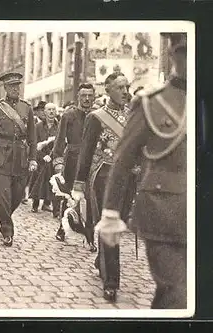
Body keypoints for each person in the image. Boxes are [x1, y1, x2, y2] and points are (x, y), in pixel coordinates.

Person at [97, 33, 187, 309]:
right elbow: (122, 160)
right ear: (172, 52)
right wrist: (110, 214)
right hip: (164, 214)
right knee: (178, 293)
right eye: (184, 51)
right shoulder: (152, 103)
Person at [72, 73, 133, 302]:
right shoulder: (97, 117)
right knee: (110, 227)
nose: (125, 91)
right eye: (120, 87)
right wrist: (78, 183)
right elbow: (85, 153)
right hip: (103, 176)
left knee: (121, 223)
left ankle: (102, 260)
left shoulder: (132, 114)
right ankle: (111, 283)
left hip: (128, 178)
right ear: (107, 89)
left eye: (127, 86)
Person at [0, 72, 37, 247]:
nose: (16, 89)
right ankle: (7, 229)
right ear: (5, 88)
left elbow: (32, 137)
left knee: (18, 194)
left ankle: (5, 218)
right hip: (1, 156)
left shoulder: (26, 108)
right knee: (3, 195)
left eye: (17, 86)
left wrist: (33, 158)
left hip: (20, 156)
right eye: (12, 86)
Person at [52, 83, 95, 229]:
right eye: (84, 95)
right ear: (78, 97)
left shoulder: (97, 116)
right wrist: (58, 163)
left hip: (92, 162)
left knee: (89, 197)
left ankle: (89, 235)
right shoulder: (68, 115)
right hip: (73, 160)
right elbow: (59, 140)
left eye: (90, 95)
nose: (87, 99)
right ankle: (63, 228)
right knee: (70, 195)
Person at [29, 102, 59, 213]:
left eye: (53, 110)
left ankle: (47, 203)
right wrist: (42, 156)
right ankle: (35, 203)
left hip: (53, 158)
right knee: (38, 178)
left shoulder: (59, 126)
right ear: (44, 112)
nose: (51, 112)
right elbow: (33, 143)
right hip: (40, 158)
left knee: (51, 180)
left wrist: (52, 155)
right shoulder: (38, 127)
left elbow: (62, 144)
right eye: (49, 110)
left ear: (56, 112)